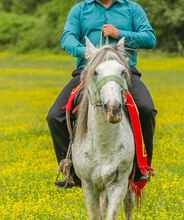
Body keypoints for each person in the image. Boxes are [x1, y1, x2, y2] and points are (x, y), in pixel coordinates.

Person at [47, 0, 157, 188]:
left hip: (123, 73)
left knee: (146, 109)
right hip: (89, 72)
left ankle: (141, 168)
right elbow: (67, 39)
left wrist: (119, 34)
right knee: (55, 115)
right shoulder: (80, 10)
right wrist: (88, 53)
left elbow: (149, 39)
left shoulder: (132, 8)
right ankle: (71, 171)